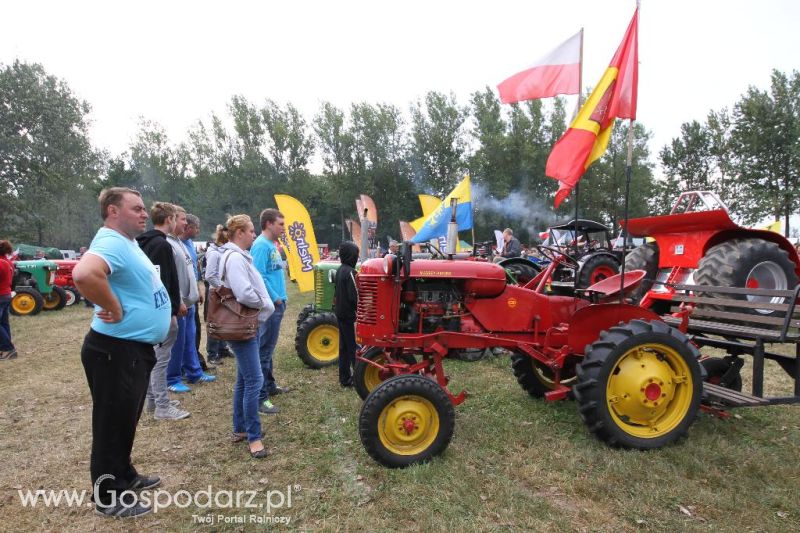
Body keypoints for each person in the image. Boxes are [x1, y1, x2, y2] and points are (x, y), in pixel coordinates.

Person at [72, 187, 172, 518]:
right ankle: (108, 496)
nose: (144, 214)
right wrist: (112, 306)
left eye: (144, 209)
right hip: (115, 350)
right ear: (113, 212)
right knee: (111, 423)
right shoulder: (111, 241)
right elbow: (84, 274)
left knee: (125, 418)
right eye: (137, 208)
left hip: (130, 349)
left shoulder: (126, 241)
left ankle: (125, 474)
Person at [218, 214, 274, 458]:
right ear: (239, 232)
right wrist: (263, 302)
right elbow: (243, 293)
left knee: (244, 379)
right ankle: (254, 436)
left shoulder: (236, 256)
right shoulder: (235, 259)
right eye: (251, 231)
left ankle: (240, 428)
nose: (254, 234)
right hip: (243, 327)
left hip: (245, 325)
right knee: (254, 381)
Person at [136, 202, 190, 420]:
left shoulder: (146, 242)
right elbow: (162, 280)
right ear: (169, 220)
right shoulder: (161, 245)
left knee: (156, 357)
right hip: (162, 311)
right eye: (176, 218)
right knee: (161, 359)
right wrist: (172, 308)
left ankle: (153, 399)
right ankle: (162, 407)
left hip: (156, 309)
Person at [166, 207, 215, 393]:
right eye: (182, 219)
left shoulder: (182, 243)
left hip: (190, 300)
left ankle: (194, 372)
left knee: (189, 338)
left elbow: (190, 271)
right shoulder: (167, 244)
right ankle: (172, 378)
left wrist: (197, 289)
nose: (186, 223)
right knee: (177, 342)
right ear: (171, 220)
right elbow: (171, 277)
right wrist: (178, 300)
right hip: (180, 302)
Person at [251, 208, 291, 415]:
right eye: (280, 224)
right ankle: (261, 397)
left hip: (277, 302)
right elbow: (259, 276)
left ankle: (270, 386)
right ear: (268, 224)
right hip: (271, 304)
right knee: (263, 351)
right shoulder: (260, 246)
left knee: (268, 349)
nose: (283, 228)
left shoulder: (271, 245)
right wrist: (275, 298)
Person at [334, 241, 359, 387]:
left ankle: (344, 378)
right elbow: (354, 296)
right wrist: (361, 311)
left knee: (344, 347)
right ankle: (359, 377)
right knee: (353, 347)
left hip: (340, 313)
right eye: (356, 254)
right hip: (349, 315)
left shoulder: (340, 269)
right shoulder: (350, 272)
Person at [204, 225, 227, 365]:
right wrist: (221, 288)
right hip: (216, 291)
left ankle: (222, 348)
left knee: (223, 320)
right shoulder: (213, 253)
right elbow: (210, 275)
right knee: (214, 323)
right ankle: (212, 354)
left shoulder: (223, 250)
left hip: (221, 291)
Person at [0, 239, 17, 360]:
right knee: (4, 323)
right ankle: (5, 348)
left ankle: (8, 348)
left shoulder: (1, 263)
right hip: (6, 294)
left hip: (1, 295)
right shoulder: (8, 262)